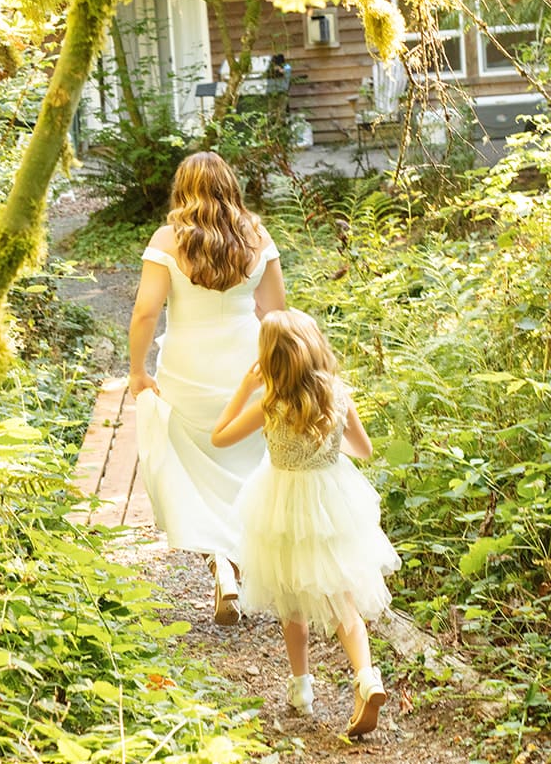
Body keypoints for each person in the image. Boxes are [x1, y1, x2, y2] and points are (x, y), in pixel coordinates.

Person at [211, 308, 399, 734]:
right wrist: (326, 446)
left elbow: (219, 436)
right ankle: (367, 678)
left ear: (270, 360)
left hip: (281, 505)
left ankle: (302, 689)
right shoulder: (336, 394)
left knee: (290, 598)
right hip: (333, 502)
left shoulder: (270, 404)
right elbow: (364, 451)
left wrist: (244, 388)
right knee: (343, 599)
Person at [128, 151, 286, 625]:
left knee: (193, 467)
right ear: (230, 186)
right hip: (247, 370)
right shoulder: (257, 236)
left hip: (186, 369)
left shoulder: (167, 239)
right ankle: (233, 562)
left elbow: (144, 312)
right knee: (242, 467)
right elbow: (276, 312)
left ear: (184, 189)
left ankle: (220, 564)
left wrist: (138, 371)